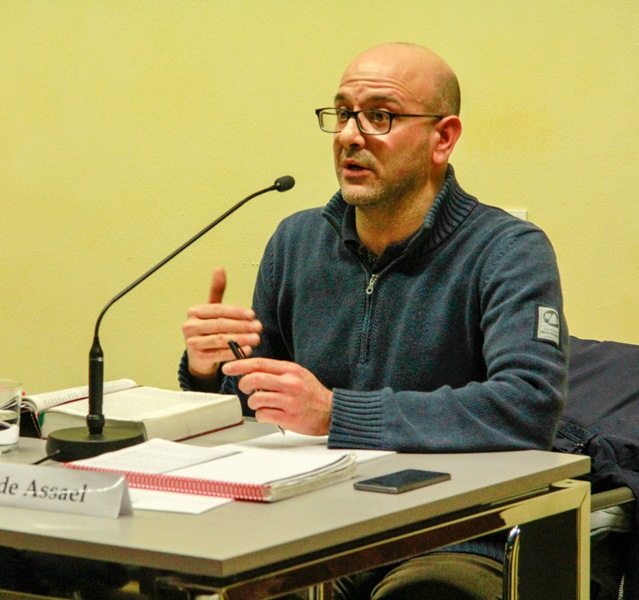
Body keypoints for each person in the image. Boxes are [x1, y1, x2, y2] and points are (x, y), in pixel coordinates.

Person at [179, 42, 568, 600]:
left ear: (443, 138)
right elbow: (263, 407)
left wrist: (336, 413)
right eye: (342, 114)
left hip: (453, 533)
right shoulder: (296, 241)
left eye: (379, 116)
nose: (349, 135)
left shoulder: (507, 251)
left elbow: (527, 406)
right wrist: (209, 372)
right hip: (314, 524)